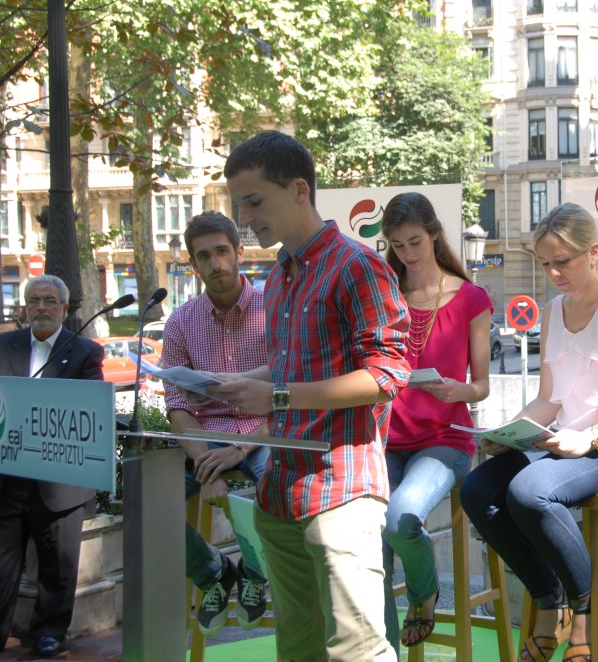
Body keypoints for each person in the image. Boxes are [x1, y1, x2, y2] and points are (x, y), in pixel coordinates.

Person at [213, 131, 410, 662]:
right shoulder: (280, 275)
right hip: (281, 493)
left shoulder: (356, 265)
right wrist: (227, 383)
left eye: (254, 201)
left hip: (342, 490)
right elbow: (291, 364)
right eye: (239, 205)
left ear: (299, 190)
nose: (245, 218)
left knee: (357, 652)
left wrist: (275, 396)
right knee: (297, 651)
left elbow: (388, 375)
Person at [459, 203, 598, 662]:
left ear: (593, 253)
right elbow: (549, 399)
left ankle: (588, 609)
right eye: (545, 264)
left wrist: (591, 438)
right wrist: (509, 432)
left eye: (563, 261)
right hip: (571, 437)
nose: (554, 273)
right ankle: (549, 598)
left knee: (530, 490)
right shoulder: (553, 311)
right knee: (476, 490)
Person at [0, 275, 105, 661]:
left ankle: (50, 633)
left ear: (64, 308)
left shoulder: (85, 352)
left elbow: (89, 407)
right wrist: (8, 416)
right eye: (34, 300)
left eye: (49, 301)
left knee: (57, 564)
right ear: (25, 307)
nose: (41, 308)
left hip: (59, 480)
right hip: (5, 476)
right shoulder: (1, 345)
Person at [378, 192, 493, 651]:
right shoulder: (385, 296)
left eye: (415, 242)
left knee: (400, 517)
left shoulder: (471, 298)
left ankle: (424, 594)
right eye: (398, 245)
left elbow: (481, 386)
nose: (408, 253)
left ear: (434, 235)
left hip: (446, 439)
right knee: (370, 538)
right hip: (385, 438)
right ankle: (380, 651)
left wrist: (459, 390)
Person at [158, 211, 271, 636]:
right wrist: (205, 463)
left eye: (222, 251)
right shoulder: (180, 321)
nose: (215, 263)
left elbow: (289, 396)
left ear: (239, 252)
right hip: (204, 438)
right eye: (203, 256)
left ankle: (254, 572)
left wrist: (240, 449)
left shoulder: (274, 309)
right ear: (193, 264)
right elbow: (176, 402)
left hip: (264, 433)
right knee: (148, 502)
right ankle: (214, 573)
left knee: (282, 485)